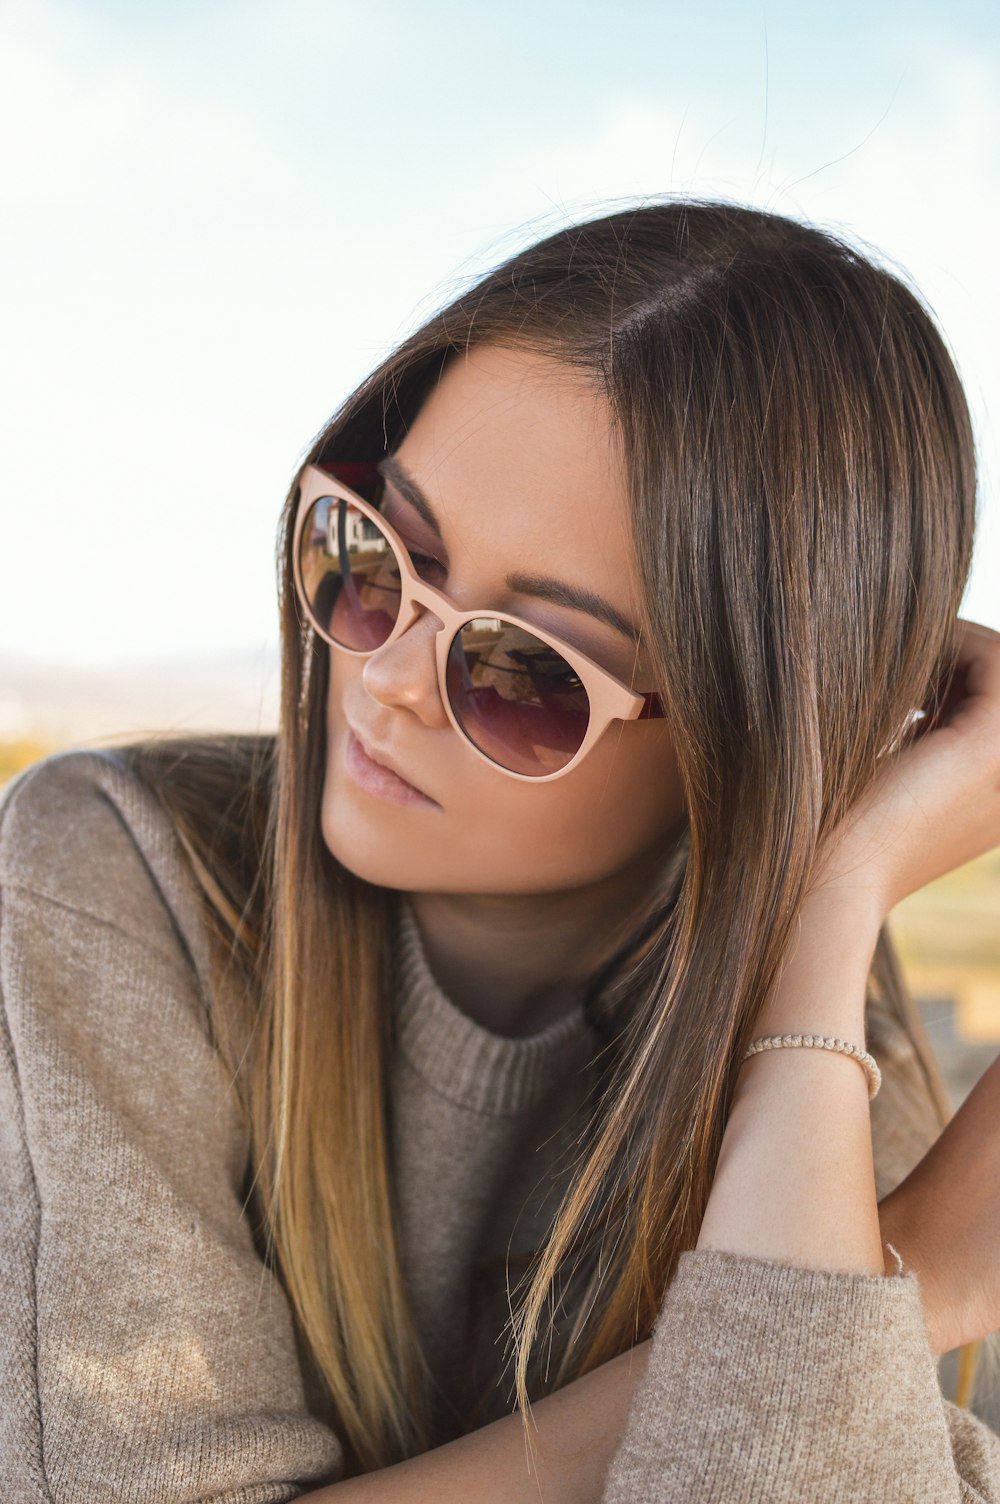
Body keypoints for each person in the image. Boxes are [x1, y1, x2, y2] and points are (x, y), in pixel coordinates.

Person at [3, 198, 1000, 1503]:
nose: (392, 679)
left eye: (523, 666)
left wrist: (841, 886)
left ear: (749, 758)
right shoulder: (109, 877)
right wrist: (887, 1283)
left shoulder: (805, 1065)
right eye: (375, 553)